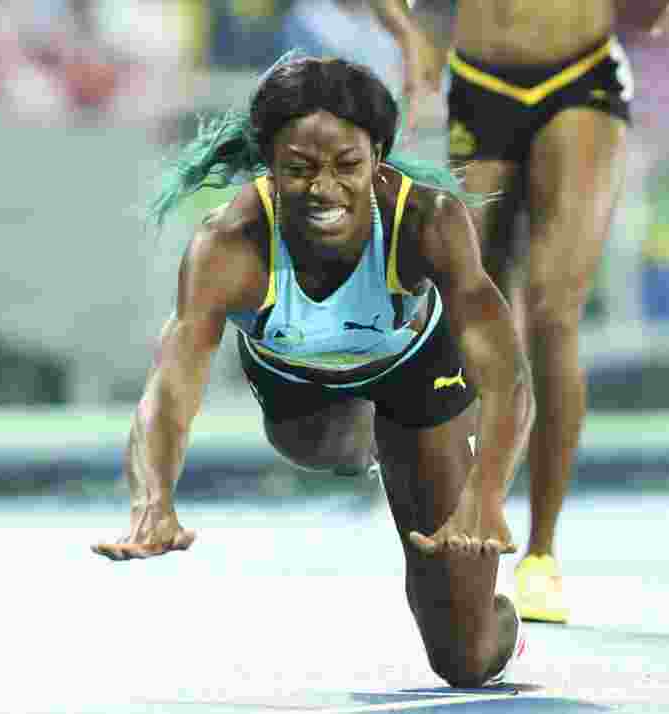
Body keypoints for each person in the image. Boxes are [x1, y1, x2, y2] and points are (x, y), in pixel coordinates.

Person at [92, 55, 535, 688]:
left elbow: (509, 379)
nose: (324, 189)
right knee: (318, 447)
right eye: (299, 169)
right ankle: (383, 448)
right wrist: (153, 498)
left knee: (464, 660)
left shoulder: (427, 222)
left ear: (378, 154)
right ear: (268, 163)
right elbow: (170, 387)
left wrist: (485, 496)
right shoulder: (229, 246)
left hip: (416, 376)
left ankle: (487, 609)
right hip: (303, 393)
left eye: (347, 166)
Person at [369, 0, 669, 623]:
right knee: (467, 300)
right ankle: (457, 515)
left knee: (553, 311)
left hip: (579, 77)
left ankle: (540, 554)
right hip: (480, 81)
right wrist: (407, 31)